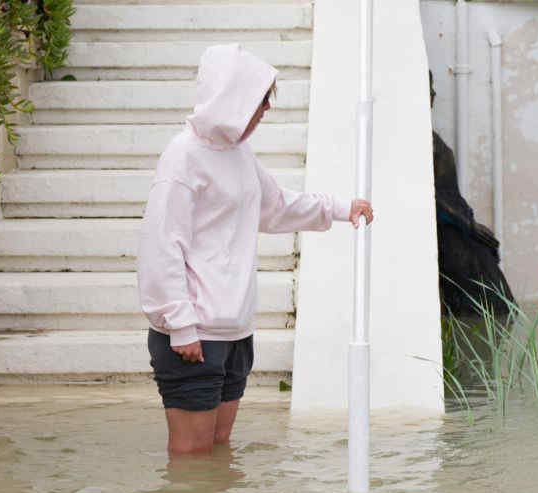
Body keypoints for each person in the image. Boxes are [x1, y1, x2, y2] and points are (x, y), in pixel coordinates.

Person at [138, 44, 374, 454]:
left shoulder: (238, 154)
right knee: (192, 457)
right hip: (194, 335)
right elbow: (161, 245)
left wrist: (340, 208)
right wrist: (179, 323)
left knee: (218, 449)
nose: (266, 110)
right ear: (233, 99)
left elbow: (276, 207)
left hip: (235, 331)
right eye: (261, 101)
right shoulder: (182, 158)